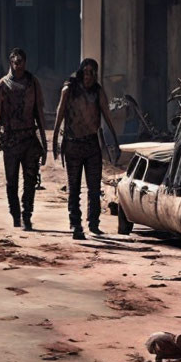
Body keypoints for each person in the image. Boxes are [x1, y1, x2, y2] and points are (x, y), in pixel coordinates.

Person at [53, 58, 119, 240]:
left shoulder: (97, 92)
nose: (88, 76)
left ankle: (94, 223)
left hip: (91, 145)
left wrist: (115, 142)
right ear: (81, 72)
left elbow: (106, 115)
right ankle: (75, 224)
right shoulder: (69, 90)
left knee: (94, 187)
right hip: (73, 144)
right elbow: (59, 115)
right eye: (86, 72)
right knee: (73, 188)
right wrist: (54, 140)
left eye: (92, 72)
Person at [0, 48, 47, 230]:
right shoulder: (1, 85)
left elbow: (39, 113)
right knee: (12, 181)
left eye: (21, 62)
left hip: (28, 138)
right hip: (10, 140)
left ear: (25, 63)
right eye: (15, 62)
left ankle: (27, 215)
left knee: (30, 181)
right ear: (10, 62)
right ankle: (15, 215)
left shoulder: (33, 83)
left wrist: (43, 141)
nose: (18, 66)